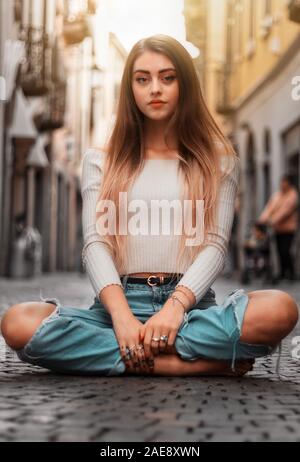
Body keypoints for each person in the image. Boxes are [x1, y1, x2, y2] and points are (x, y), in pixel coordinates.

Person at [0, 35, 298, 378]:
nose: (155, 88)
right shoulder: (101, 161)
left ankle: (121, 353)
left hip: (191, 307)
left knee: (280, 309)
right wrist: (122, 318)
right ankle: (185, 363)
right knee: (18, 322)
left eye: (167, 77)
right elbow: (96, 243)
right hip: (116, 306)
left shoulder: (219, 161)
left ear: (185, 84)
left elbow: (215, 245)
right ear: (130, 89)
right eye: (142, 79)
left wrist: (174, 308)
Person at [258, 174, 299, 282]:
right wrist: (261, 220)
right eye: (281, 182)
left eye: (284, 182)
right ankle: (282, 273)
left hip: (289, 229)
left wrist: (272, 221)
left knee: (286, 251)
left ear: (289, 183)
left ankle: (291, 273)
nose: (282, 184)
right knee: (279, 252)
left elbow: (285, 211)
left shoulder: (293, 195)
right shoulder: (277, 195)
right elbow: (269, 208)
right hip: (277, 229)